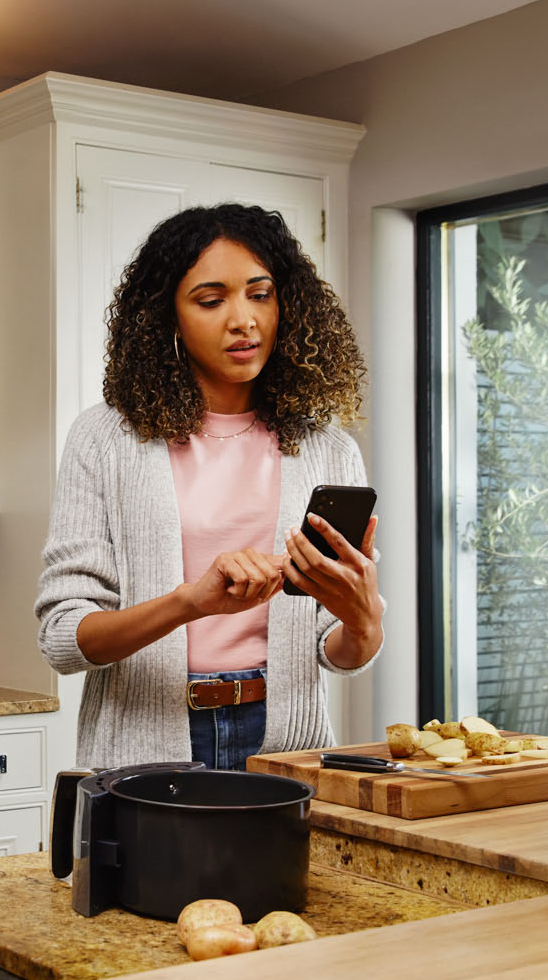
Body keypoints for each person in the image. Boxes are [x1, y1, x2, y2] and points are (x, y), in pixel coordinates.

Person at [36, 203, 382, 771]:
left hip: (288, 749)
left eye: (260, 294)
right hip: (144, 753)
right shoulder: (105, 439)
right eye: (211, 300)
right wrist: (189, 603)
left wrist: (363, 620)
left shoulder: (329, 449)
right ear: (167, 316)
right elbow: (64, 639)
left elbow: (339, 651)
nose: (242, 319)